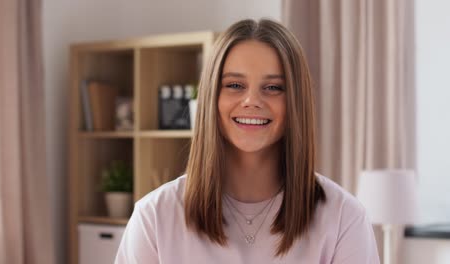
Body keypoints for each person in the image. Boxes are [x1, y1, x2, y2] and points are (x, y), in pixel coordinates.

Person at [115, 19, 380, 263]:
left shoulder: (344, 218)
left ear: (295, 103)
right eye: (235, 85)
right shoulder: (154, 217)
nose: (252, 100)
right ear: (211, 97)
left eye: (273, 87)